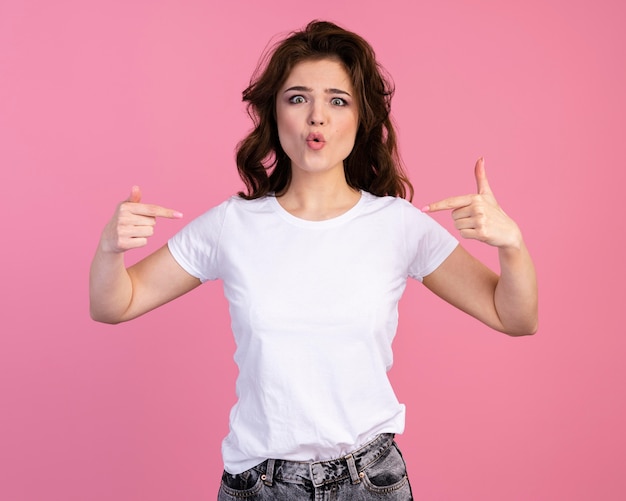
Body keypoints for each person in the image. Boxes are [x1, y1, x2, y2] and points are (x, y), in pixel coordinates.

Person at [90, 20, 537, 501]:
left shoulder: (397, 225)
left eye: (337, 101)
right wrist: (108, 250)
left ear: (361, 118)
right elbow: (115, 304)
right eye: (298, 98)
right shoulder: (232, 226)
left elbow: (514, 317)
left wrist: (511, 245)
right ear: (274, 113)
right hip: (259, 483)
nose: (316, 117)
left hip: (369, 482)